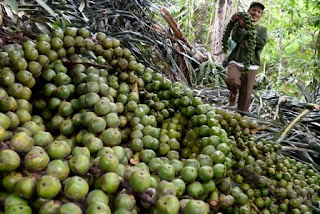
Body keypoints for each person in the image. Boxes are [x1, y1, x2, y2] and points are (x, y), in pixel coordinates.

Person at [224, 1, 268, 111]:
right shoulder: (239, 24)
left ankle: (241, 116)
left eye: (259, 12)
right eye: (253, 10)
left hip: (251, 65)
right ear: (248, 11)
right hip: (236, 60)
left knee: (246, 94)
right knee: (231, 80)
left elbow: (260, 44)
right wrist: (238, 24)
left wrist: (248, 29)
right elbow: (236, 38)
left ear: (261, 15)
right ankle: (233, 93)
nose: (256, 13)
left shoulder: (262, 30)